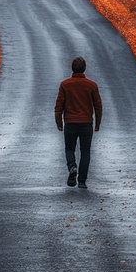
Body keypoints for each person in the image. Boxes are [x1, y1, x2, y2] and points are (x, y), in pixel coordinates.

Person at [54, 56, 102, 189]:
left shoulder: (65, 85)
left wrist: (59, 122)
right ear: (84, 68)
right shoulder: (92, 85)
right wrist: (97, 123)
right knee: (85, 151)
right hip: (86, 123)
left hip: (70, 123)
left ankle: (72, 166)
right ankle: (82, 181)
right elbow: (98, 105)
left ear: (72, 68)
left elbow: (59, 105)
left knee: (69, 149)